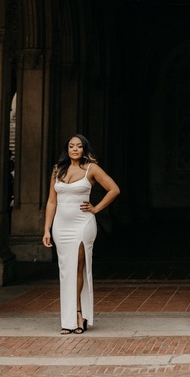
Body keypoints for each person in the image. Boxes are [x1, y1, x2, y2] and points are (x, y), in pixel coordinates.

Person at [42, 134, 120, 334]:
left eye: (78, 146)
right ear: (66, 149)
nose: (74, 149)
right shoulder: (57, 170)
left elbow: (114, 189)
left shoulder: (91, 169)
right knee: (65, 271)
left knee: (78, 269)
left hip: (82, 225)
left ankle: (78, 314)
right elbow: (52, 201)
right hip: (61, 225)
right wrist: (46, 229)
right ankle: (69, 317)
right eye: (71, 146)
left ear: (84, 149)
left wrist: (96, 208)